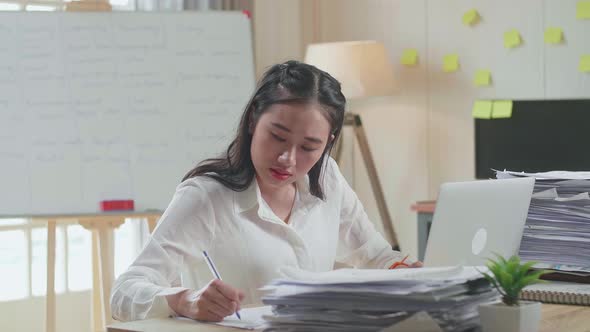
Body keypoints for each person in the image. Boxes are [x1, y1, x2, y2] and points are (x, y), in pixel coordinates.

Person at [110, 60, 422, 323]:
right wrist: (185, 300)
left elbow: (377, 257)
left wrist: (414, 275)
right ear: (252, 120)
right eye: (277, 137)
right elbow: (124, 292)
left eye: (309, 147)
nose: (288, 159)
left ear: (328, 143)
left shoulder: (328, 180)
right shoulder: (206, 196)